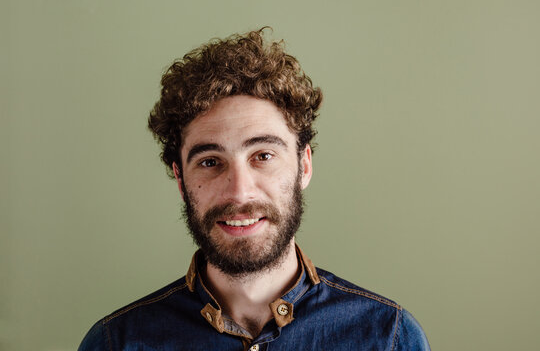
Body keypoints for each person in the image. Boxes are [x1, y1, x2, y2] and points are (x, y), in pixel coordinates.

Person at [79, 28, 430, 351]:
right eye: (210, 161)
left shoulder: (388, 337)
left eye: (263, 155)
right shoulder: (114, 343)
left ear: (304, 165)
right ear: (181, 180)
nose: (239, 193)